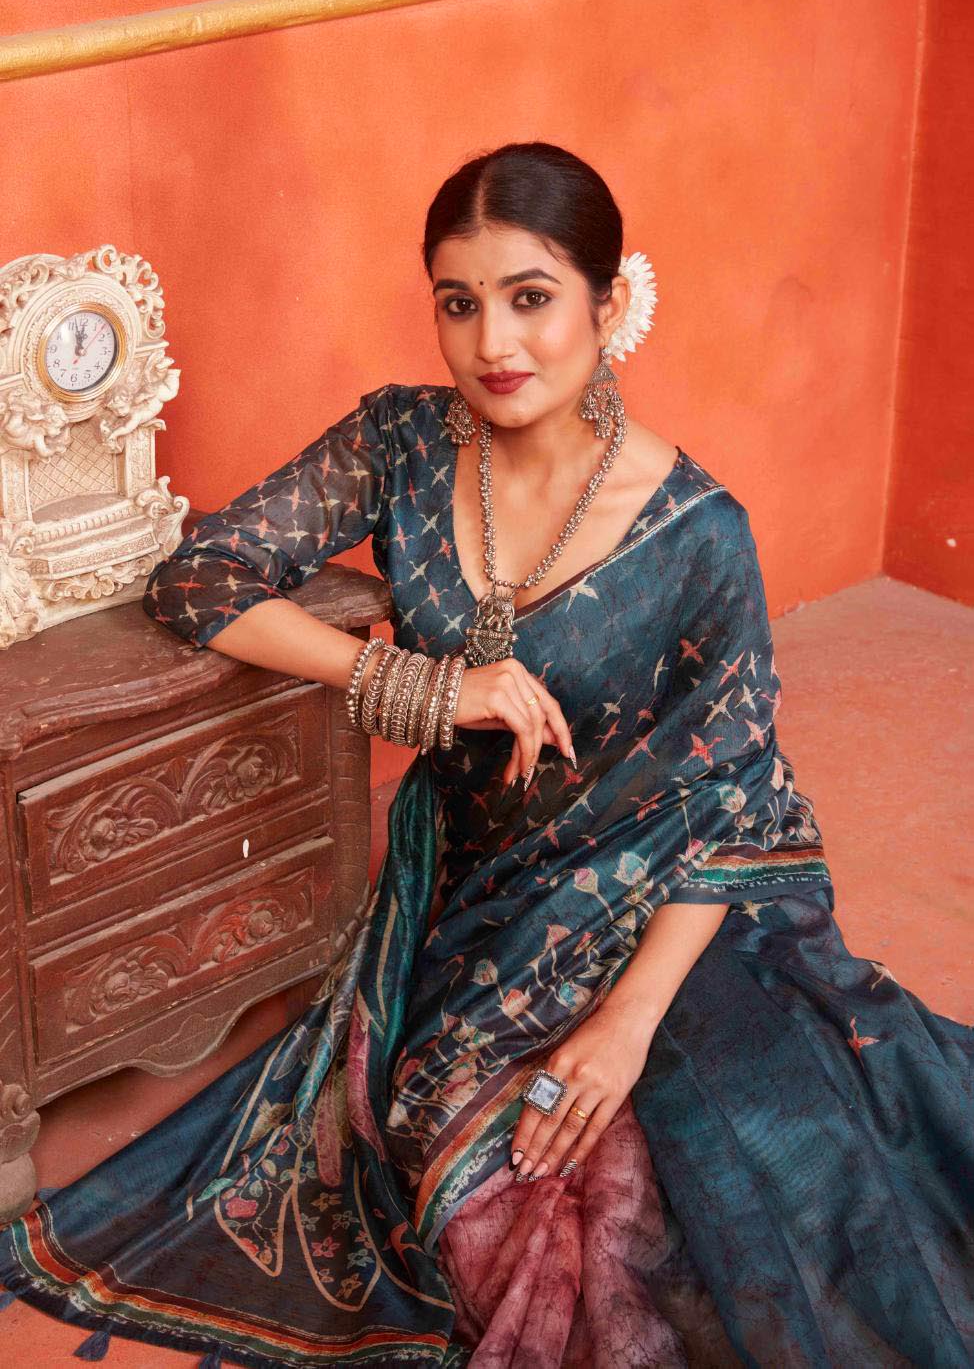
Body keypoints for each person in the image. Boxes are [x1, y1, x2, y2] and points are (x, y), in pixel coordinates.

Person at [0, 141, 971, 1369]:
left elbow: (734, 801)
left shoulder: (696, 533)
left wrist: (621, 1022)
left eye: (530, 297)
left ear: (608, 307)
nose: (492, 344)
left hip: (680, 904)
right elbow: (202, 577)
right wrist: (415, 682)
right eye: (458, 304)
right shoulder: (403, 444)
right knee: (469, 1173)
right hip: (475, 904)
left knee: (743, 1167)